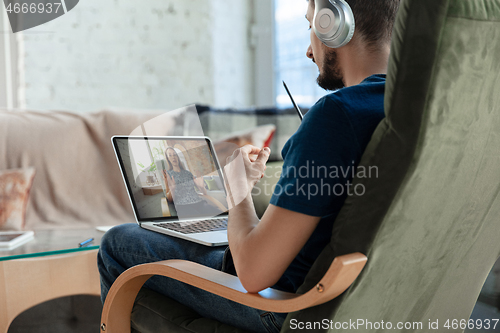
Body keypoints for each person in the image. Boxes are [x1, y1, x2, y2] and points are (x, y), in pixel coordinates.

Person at [97, 0, 400, 331]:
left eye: (310, 25)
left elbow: (254, 273)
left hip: (287, 305)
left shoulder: (336, 116)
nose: (309, 52)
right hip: (369, 302)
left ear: (332, 23)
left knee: (118, 242)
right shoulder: (412, 113)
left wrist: (237, 192)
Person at [162, 147, 222, 218]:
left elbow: (204, 193)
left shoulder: (188, 173)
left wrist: (202, 187)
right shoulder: (168, 175)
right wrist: (172, 189)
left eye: (174, 154)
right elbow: (170, 200)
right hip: (183, 206)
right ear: (168, 158)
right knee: (201, 222)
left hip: (199, 203)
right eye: (170, 155)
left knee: (219, 216)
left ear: (177, 156)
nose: (173, 157)